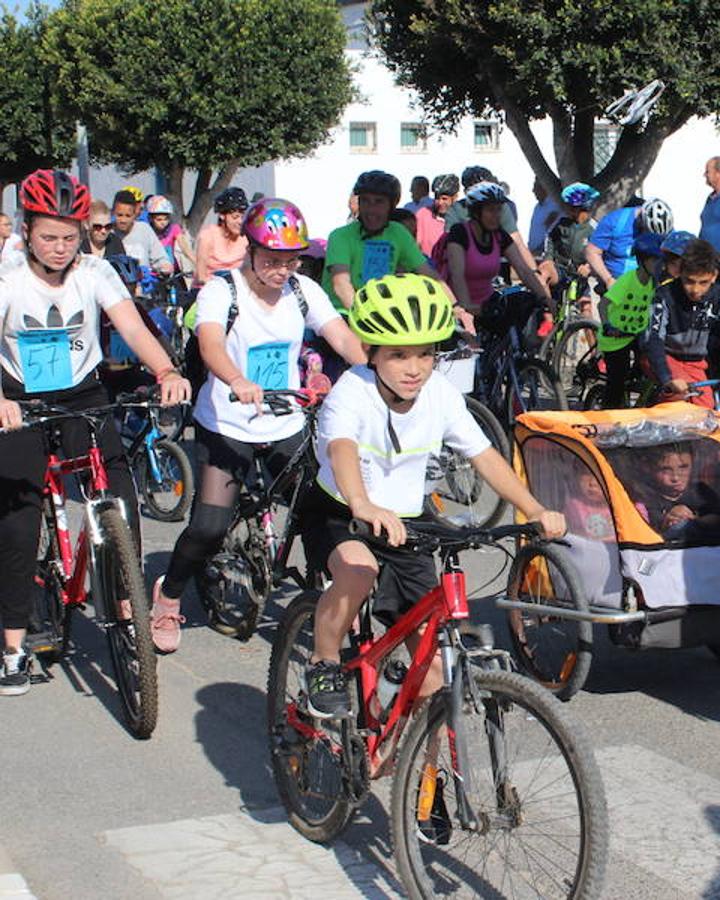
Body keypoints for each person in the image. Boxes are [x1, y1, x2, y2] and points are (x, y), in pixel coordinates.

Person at [300, 273, 565, 718]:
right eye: (399, 354)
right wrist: (363, 504)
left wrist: (533, 507)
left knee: (437, 670)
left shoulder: (439, 394)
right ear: (371, 352)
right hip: (340, 510)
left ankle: (412, 771)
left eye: (426, 354)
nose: (414, 367)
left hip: (406, 521)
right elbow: (341, 449)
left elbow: (484, 455)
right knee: (359, 570)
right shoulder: (352, 392)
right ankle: (324, 662)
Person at [0, 170, 191, 695]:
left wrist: (166, 371)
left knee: (119, 493)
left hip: (82, 392)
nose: (60, 248)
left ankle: (127, 595)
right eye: (48, 236)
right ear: (26, 229)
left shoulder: (95, 271)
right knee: (16, 528)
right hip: (19, 397)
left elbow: (131, 326)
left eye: (69, 236)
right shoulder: (8, 276)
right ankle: (13, 645)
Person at [148, 199, 366, 652]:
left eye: (291, 260)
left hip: (284, 419)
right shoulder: (221, 292)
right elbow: (210, 345)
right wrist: (237, 380)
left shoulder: (302, 290)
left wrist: (372, 371)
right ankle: (168, 596)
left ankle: (329, 595)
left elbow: (339, 335)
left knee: (320, 509)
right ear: (249, 249)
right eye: (272, 260)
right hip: (228, 422)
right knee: (209, 525)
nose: (282, 270)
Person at [322, 170, 442, 315]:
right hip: (343, 314)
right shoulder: (339, 236)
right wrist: (366, 317)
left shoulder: (398, 233)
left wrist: (456, 308)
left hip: (383, 315)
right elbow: (341, 284)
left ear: (392, 206)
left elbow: (429, 275)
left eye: (379, 202)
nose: (371, 209)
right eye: (365, 201)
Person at [637, 237, 720, 409]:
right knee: (679, 399)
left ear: (714, 276)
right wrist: (668, 378)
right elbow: (652, 339)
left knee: (705, 410)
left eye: (703, 282)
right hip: (665, 357)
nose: (695, 290)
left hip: (696, 364)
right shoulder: (664, 295)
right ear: (680, 274)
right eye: (689, 281)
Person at [434, 181, 549, 321]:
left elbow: (523, 270)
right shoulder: (459, 233)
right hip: (457, 306)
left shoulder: (499, 236)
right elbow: (457, 275)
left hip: (488, 304)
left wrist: (545, 298)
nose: (497, 215)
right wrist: (466, 309)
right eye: (491, 210)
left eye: (499, 209)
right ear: (476, 212)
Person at [597, 231, 665, 408]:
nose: (659, 265)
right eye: (655, 260)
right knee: (617, 383)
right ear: (642, 260)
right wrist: (607, 325)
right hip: (615, 338)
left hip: (636, 334)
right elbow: (603, 305)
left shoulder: (653, 283)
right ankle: (605, 418)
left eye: (661, 260)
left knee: (652, 367)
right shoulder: (628, 280)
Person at [631, 444, 720, 542]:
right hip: (670, 550)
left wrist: (693, 519)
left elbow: (717, 516)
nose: (676, 477)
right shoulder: (646, 498)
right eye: (666, 469)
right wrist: (667, 520)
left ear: (693, 464)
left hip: (709, 543)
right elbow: (651, 533)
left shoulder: (700, 490)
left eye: (683, 467)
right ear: (648, 468)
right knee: (680, 527)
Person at [584, 197, 672, 289]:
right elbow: (592, 252)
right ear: (641, 219)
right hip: (615, 286)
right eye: (648, 230)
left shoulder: (667, 231)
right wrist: (608, 279)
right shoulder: (615, 221)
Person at [538, 182, 599, 307]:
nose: (570, 210)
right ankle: (546, 307)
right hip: (560, 270)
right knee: (544, 273)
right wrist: (548, 259)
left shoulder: (595, 229)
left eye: (574, 208)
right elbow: (550, 239)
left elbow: (600, 253)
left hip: (579, 276)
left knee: (586, 309)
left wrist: (589, 267)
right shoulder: (562, 224)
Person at [193, 188, 250, 287]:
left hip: (239, 290)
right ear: (222, 215)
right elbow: (201, 276)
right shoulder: (208, 235)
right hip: (209, 289)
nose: (240, 222)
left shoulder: (247, 237)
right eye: (235, 217)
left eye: (243, 217)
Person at [112, 189, 171, 274]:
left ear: (134, 214)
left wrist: (165, 266)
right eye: (119, 215)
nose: (123, 220)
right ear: (113, 212)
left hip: (143, 283)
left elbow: (160, 258)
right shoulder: (109, 232)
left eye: (128, 216)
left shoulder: (144, 230)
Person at [145, 195, 195, 277]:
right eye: (159, 219)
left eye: (166, 219)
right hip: (153, 274)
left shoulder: (174, 228)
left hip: (172, 272)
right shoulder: (147, 231)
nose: (163, 222)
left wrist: (197, 263)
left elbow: (185, 248)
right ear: (151, 218)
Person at [413, 174, 456, 256]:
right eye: (437, 198)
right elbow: (415, 246)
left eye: (444, 199)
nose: (440, 202)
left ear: (454, 198)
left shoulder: (461, 218)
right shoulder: (422, 215)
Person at [527, 177, 565, 258]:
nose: (533, 190)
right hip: (533, 252)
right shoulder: (537, 207)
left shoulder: (555, 205)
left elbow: (551, 230)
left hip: (545, 253)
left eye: (536, 187)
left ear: (544, 187)